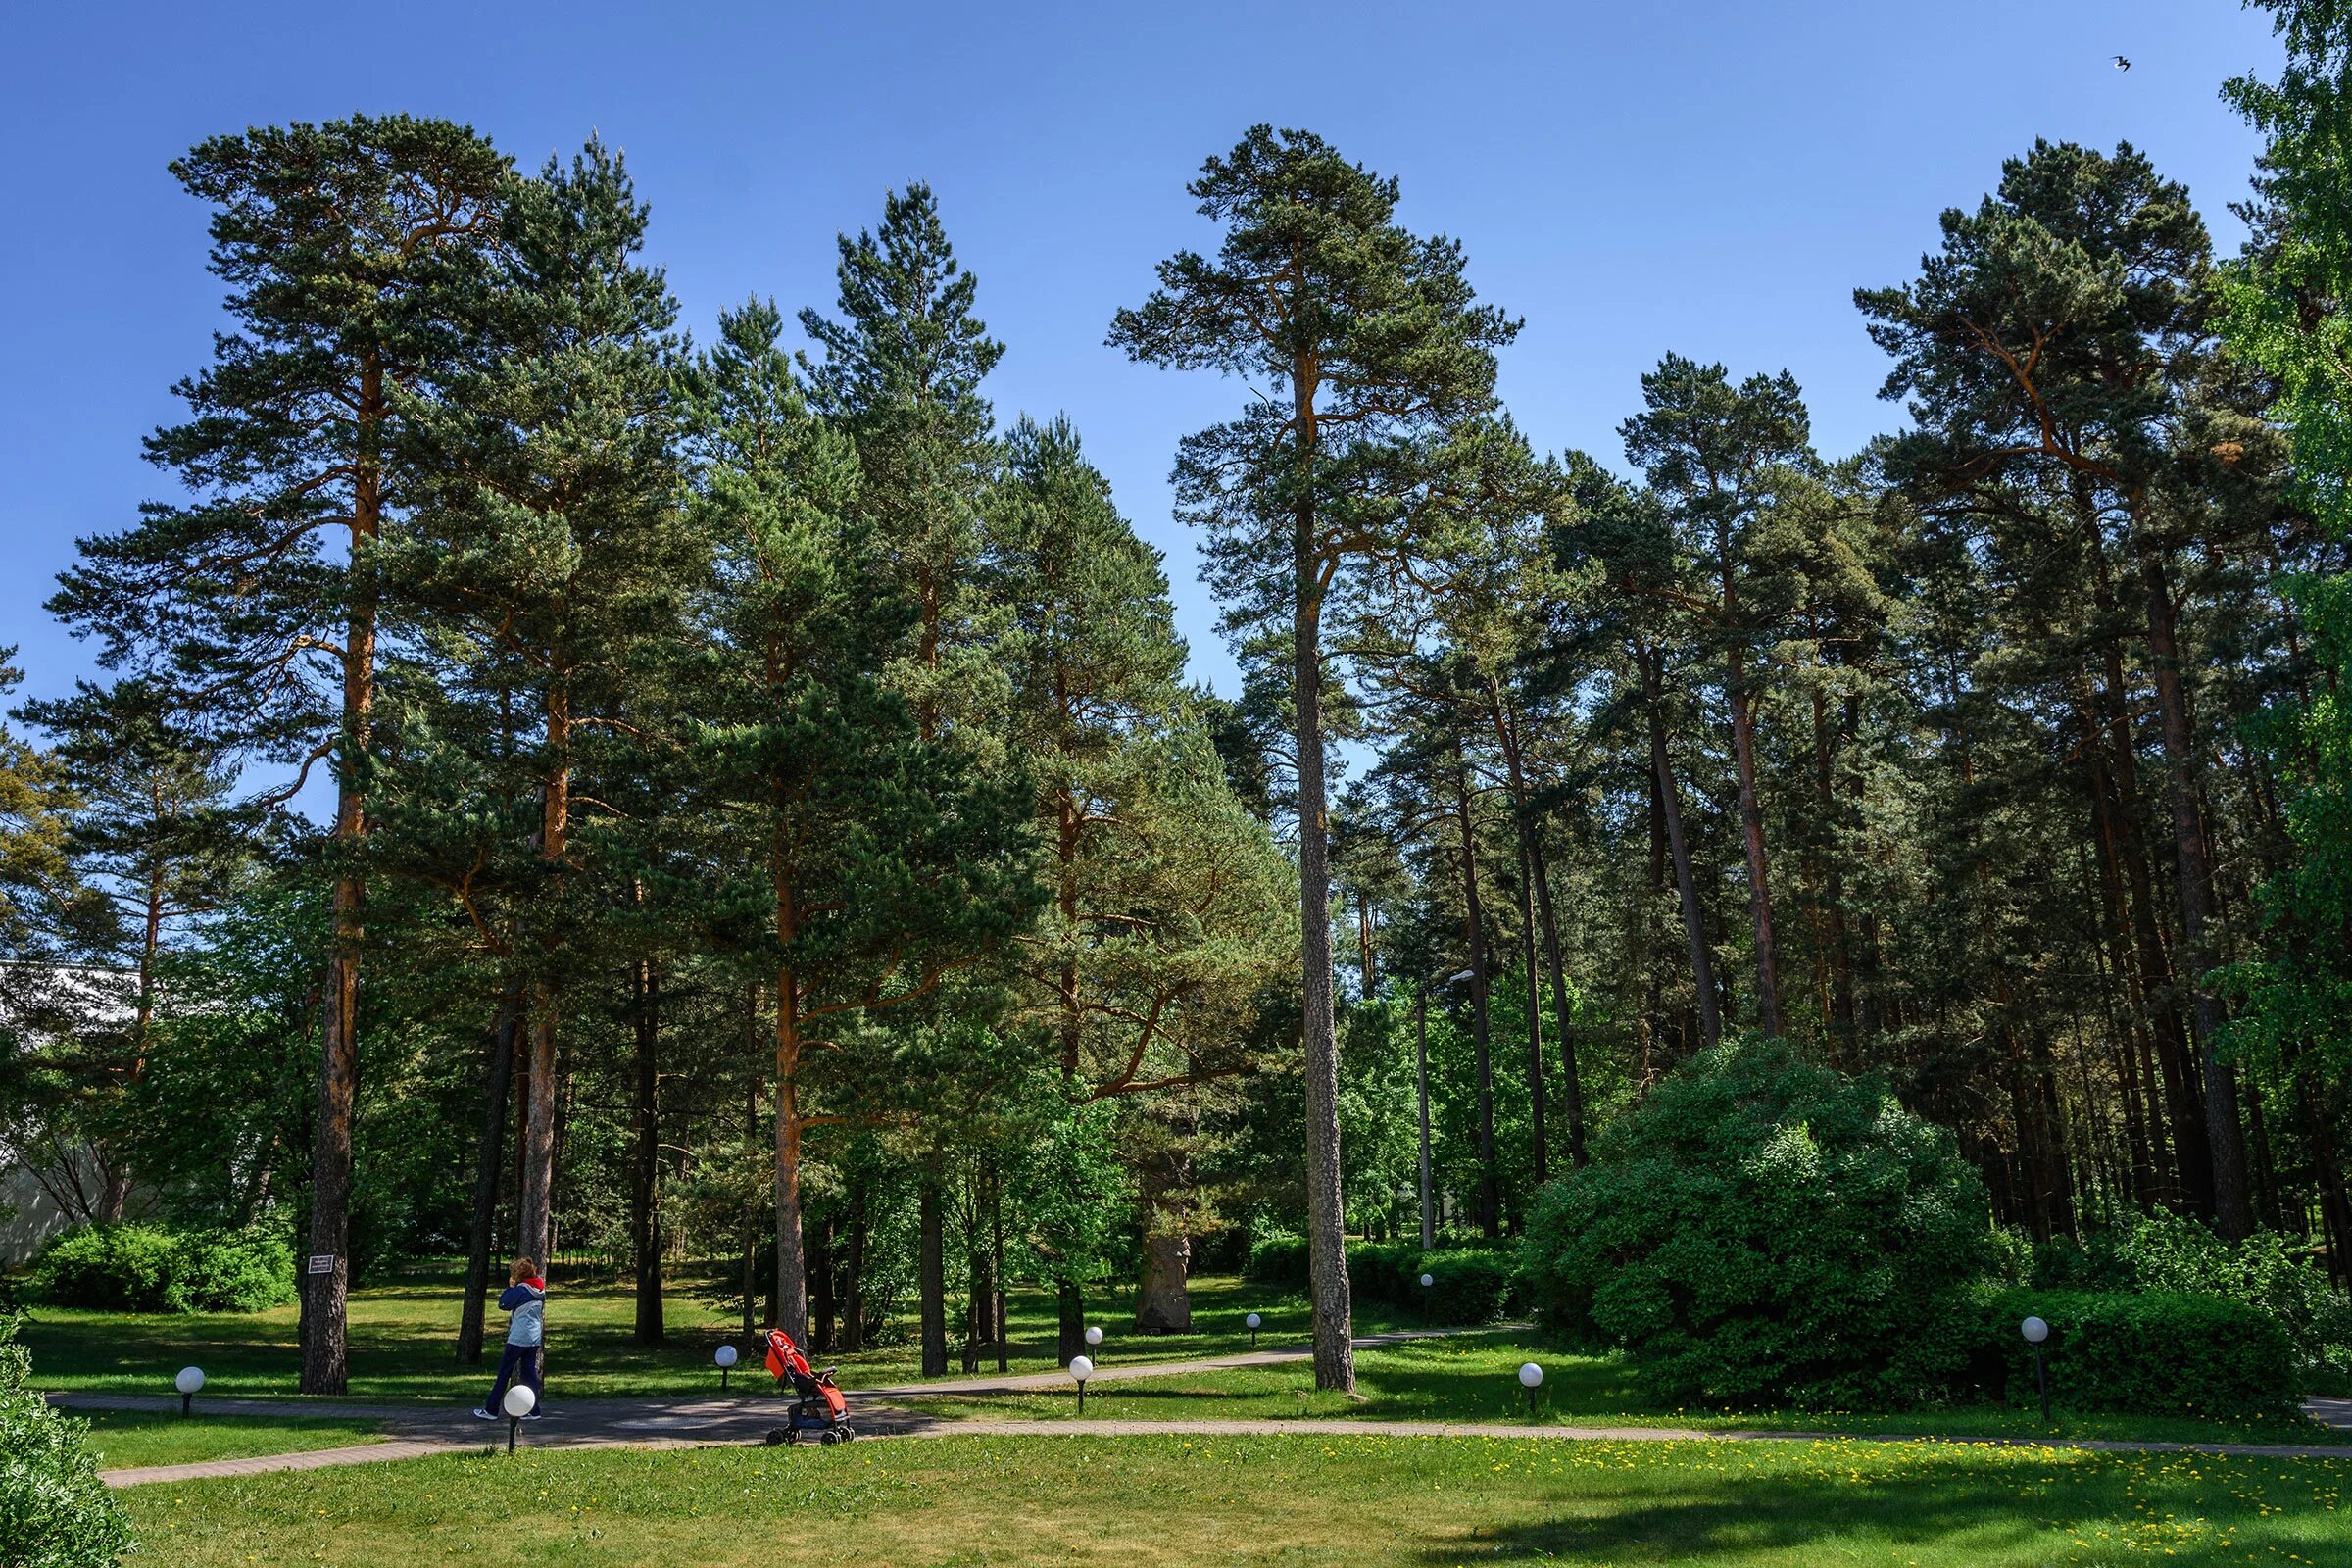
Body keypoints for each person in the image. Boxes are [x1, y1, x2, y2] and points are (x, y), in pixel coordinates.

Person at [474, 1257, 546, 1420]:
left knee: (504, 1373)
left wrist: (511, 1287)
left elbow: (504, 1304)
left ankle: (491, 1410)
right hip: (533, 1337)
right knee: (529, 1374)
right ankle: (533, 1411)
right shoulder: (539, 1289)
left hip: (518, 1338)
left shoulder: (521, 1290)